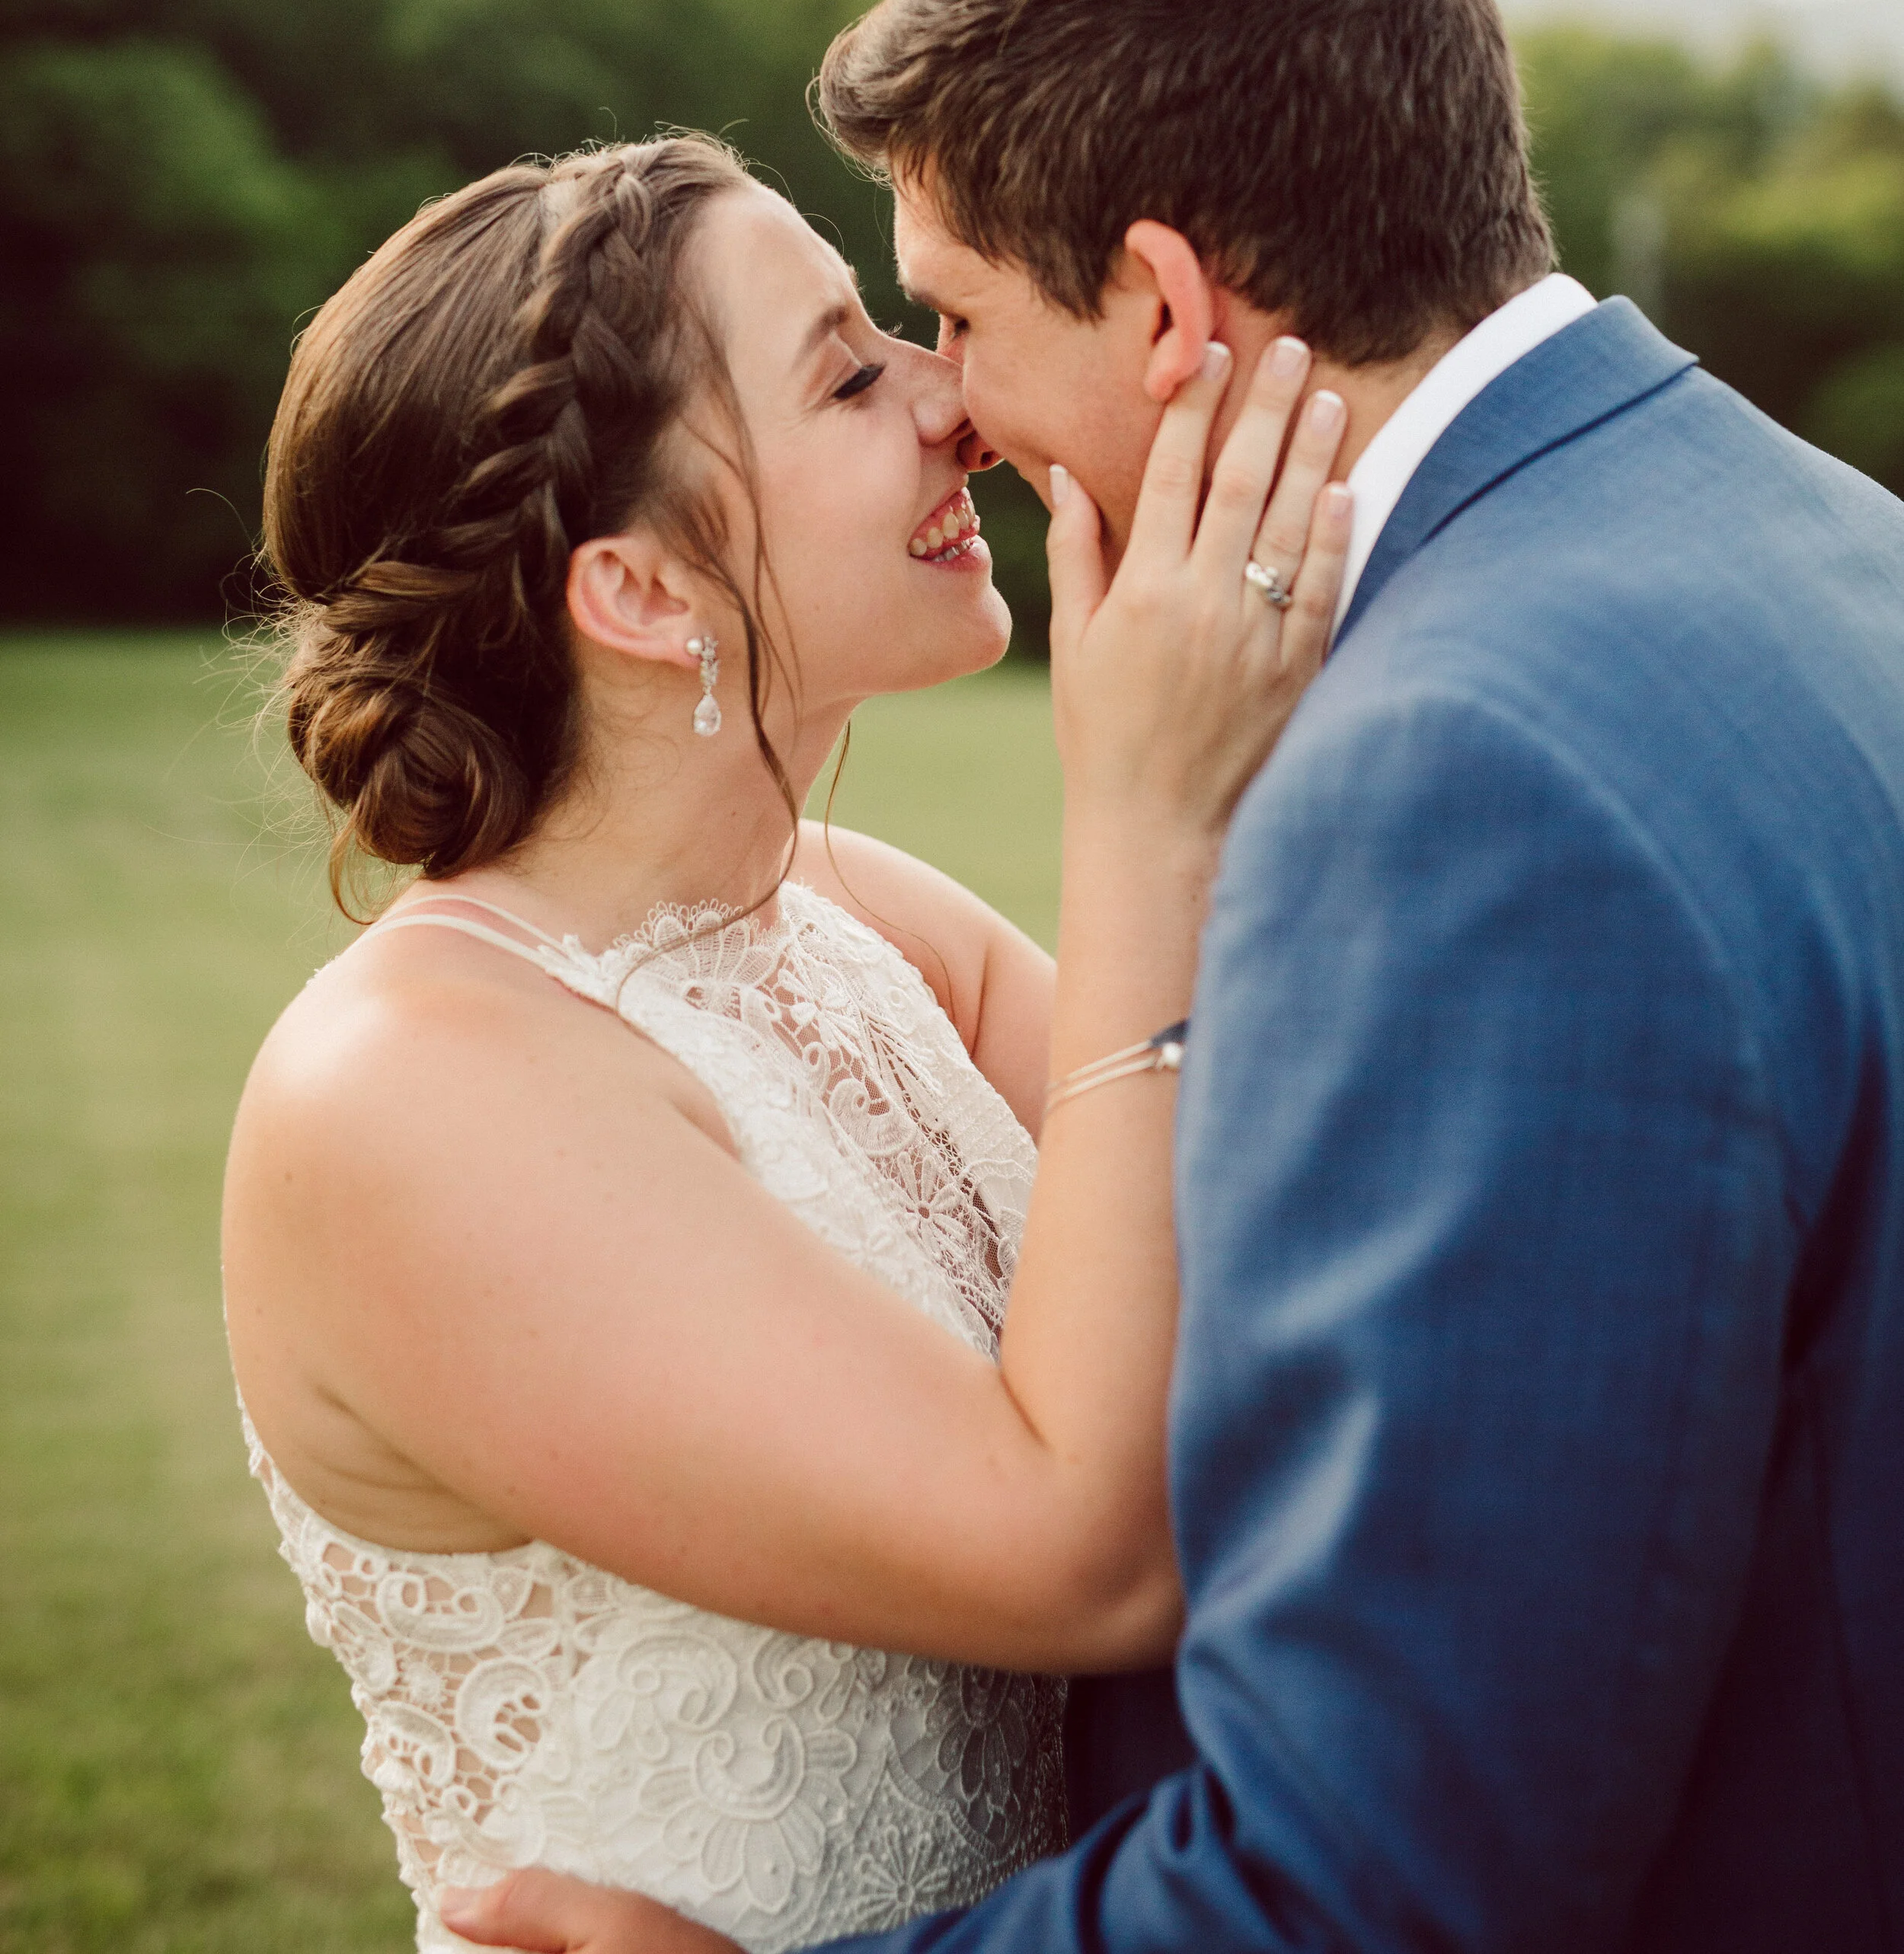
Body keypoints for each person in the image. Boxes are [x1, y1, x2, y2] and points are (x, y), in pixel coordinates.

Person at [444, 0, 1904, 1954]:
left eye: (943, 311)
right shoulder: (1816, 529)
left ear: (1157, 302)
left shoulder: (1456, 774)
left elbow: (1388, 1874)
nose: (949, 407)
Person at [223, 129, 1350, 1952]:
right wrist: (1148, 817)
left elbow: (1296, 1241)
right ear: (644, 593)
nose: (953, 402)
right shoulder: (413, 1094)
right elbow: (1081, 1552)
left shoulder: (856, 916)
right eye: (850, 370)